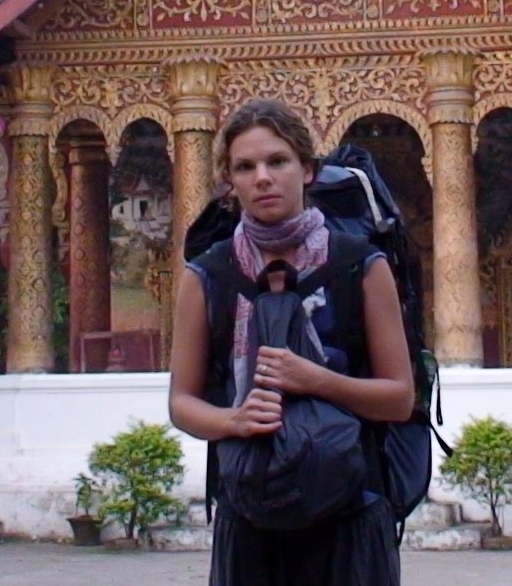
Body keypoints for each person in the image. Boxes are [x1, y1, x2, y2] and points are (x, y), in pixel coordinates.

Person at [169, 99, 412, 585]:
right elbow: (181, 402)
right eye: (245, 166)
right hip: (249, 509)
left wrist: (315, 379)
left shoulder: (359, 265)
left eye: (277, 161)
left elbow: (399, 398)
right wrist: (233, 419)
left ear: (307, 170)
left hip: (350, 511)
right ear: (230, 182)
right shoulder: (208, 276)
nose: (262, 177)